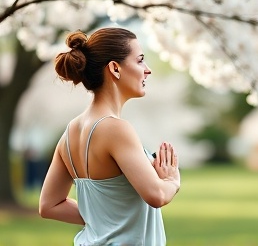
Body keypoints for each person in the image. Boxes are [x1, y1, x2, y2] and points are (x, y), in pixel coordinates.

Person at [39, 27, 181, 246]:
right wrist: (171, 180)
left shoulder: (70, 132)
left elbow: (49, 205)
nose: (148, 70)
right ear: (115, 68)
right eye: (140, 60)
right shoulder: (116, 129)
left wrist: (102, 217)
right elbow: (157, 195)